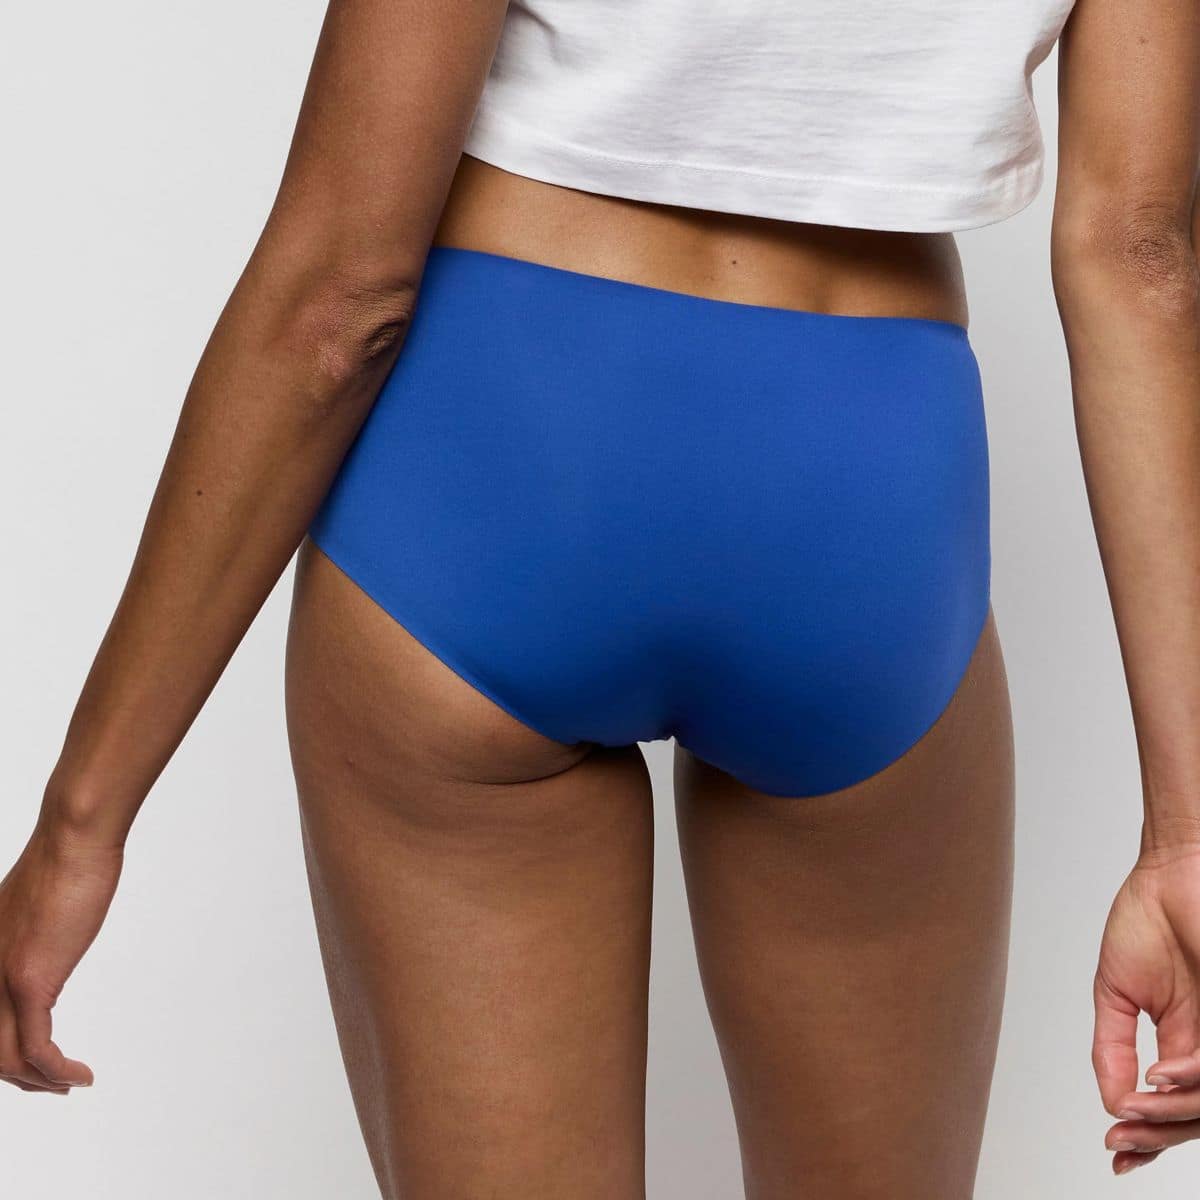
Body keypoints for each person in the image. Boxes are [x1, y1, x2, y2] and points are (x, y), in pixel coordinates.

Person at [2, 0, 1199, 1194]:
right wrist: (1184, 840)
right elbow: (1139, 262)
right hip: (859, 484)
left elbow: (341, 299)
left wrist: (81, 826)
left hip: (502, 456)